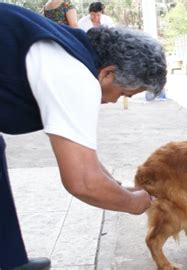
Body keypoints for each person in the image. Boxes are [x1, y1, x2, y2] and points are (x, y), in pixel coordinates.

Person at [0, 3, 167, 270]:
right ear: (108, 73)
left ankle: (8, 259)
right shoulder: (75, 76)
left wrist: (115, 185)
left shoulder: (70, 49)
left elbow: (79, 152)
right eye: (124, 94)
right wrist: (134, 203)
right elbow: (83, 182)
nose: (114, 102)